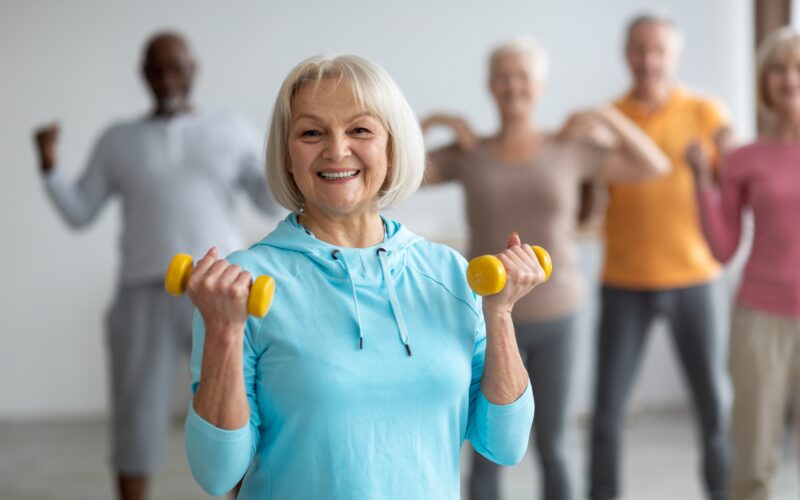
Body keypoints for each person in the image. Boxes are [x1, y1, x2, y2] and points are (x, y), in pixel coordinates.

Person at [182, 54, 543, 500]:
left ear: (391, 147)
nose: (336, 150)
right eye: (311, 132)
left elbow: (505, 445)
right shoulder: (243, 285)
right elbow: (217, 474)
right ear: (286, 153)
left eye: (360, 129)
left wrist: (500, 312)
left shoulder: (448, 273)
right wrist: (223, 332)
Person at [32, 32, 278, 500]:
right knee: (134, 416)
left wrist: (281, 157)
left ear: (193, 69)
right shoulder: (117, 140)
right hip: (141, 292)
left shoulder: (232, 129)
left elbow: (268, 205)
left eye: (176, 67)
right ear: (144, 74)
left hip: (218, 291)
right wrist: (48, 167)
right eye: (157, 69)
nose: (168, 78)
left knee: (234, 406)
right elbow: (80, 211)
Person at [421, 37, 669, 500]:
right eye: (503, 77)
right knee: (487, 446)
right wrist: (434, 121)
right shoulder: (469, 151)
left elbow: (654, 164)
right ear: (490, 86)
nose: (513, 86)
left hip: (558, 315)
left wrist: (607, 117)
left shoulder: (568, 147)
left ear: (539, 86)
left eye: (523, 77)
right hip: (484, 318)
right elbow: (392, 172)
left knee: (553, 445)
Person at [589, 13, 732, 500]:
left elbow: (733, 183)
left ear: (675, 56)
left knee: (713, 402)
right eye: (638, 49)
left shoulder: (706, 112)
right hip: (623, 280)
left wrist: (709, 167)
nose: (648, 60)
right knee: (607, 410)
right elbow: (589, 198)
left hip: (695, 277)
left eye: (657, 50)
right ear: (625, 53)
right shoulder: (608, 118)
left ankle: (722, 492)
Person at [689, 26, 800, 500]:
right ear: (763, 81)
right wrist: (700, 181)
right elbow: (722, 248)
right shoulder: (744, 158)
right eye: (778, 68)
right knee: (752, 466)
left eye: (798, 67)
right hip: (760, 317)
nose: (790, 78)